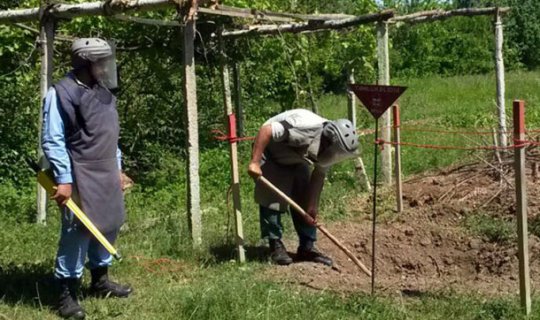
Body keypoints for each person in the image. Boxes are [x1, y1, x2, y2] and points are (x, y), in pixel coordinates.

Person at [42, 38, 132, 319]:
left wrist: (116, 167)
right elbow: (53, 140)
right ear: (85, 63)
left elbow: (110, 135)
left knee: (109, 224)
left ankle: (100, 281)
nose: (106, 67)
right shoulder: (61, 94)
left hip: (106, 170)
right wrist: (64, 179)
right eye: (101, 62)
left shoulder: (103, 91)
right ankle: (66, 293)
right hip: (79, 172)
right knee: (77, 232)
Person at [247, 108, 359, 266]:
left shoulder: (330, 150)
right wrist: (255, 162)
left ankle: (307, 247)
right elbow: (266, 131)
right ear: (329, 140)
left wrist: (312, 206)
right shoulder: (304, 126)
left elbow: (319, 175)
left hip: (296, 158)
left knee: (304, 200)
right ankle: (275, 245)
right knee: (272, 200)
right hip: (272, 151)